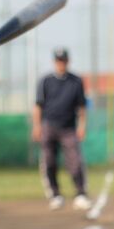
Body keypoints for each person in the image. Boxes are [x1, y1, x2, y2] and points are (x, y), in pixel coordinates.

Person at [32, 48, 92, 211]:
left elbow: (82, 106)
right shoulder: (45, 81)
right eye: (59, 61)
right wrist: (36, 126)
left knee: (75, 161)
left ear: (68, 61)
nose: (61, 64)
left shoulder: (76, 81)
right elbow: (38, 106)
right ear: (54, 62)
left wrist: (82, 126)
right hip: (49, 126)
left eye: (64, 60)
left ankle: (81, 194)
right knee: (49, 161)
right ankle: (55, 195)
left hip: (68, 128)